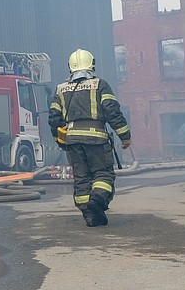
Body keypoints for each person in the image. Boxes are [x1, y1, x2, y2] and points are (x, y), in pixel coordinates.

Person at [49, 49, 132, 227]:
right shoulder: (99, 85)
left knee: (81, 178)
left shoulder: (61, 89)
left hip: (72, 142)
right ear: (91, 64)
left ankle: (90, 215)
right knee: (103, 174)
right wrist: (125, 136)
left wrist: (59, 140)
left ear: (70, 66)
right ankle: (97, 201)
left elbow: (54, 119)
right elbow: (112, 111)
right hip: (96, 140)